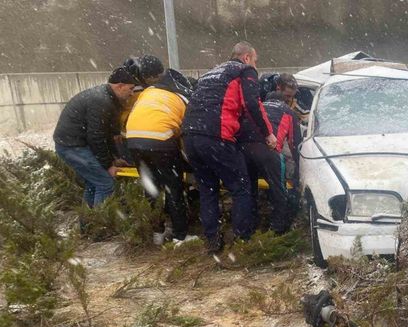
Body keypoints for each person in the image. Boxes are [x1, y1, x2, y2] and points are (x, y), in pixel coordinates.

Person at [181, 41, 276, 254]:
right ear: (246, 57)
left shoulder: (209, 74)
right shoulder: (245, 70)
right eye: (255, 59)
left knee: (208, 189)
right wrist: (268, 134)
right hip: (216, 136)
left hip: (189, 136)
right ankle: (243, 239)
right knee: (241, 186)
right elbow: (253, 104)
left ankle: (212, 240)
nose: (255, 64)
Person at [126, 68, 196, 245]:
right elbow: (186, 133)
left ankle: (157, 233)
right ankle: (180, 236)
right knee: (174, 188)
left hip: (133, 139)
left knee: (151, 188)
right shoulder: (183, 98)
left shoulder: (149, 92)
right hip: (160, 139)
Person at [53, 67, 136, 208]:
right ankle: (102, 224)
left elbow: (107, 134)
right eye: (131, 89)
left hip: (73, 144)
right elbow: (96, 137)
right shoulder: (102, 101)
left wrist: (114, 158)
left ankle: (88, 225)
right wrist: (108, 165)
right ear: (120, 86)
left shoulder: (108, 98)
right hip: (72, 147)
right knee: (105, 184)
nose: (132, 93)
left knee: (94, 184)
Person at [238, 91, 300, 234]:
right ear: (286, 101)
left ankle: (248, 230)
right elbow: (294, 143)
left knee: (247, 190)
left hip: (243, 149)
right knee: (278, 190)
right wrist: (298, 170)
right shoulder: (288, 112)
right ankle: (277, 229)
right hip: (267, 150)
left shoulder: (260, 107)